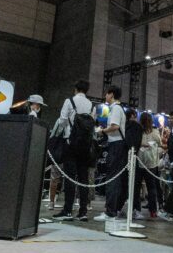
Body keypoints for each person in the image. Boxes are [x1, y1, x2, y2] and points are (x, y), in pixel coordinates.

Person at [53, 80, 93, 221]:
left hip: (70, 142)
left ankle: (68, 210)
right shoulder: (90, 104)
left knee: (70, 178)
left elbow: (62, 120)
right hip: (85, 145)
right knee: (83, 178)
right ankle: (83, 212)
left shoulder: (69, 101)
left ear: (75, 89)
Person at [96, 87, 126, 221]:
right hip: (118, 146)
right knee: (115, 178)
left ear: (111, 94)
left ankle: (110, 212)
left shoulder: (115, 109)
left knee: (112, 178)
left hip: (116, 145)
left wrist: (102, 131)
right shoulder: (118, 109)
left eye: (106, 93)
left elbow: (115, 126)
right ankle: (113, 210)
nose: (105, 96)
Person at [134, 112, 162, 219]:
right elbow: (159, 143)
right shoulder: (155, 132)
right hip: (152, 163)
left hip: (140, 161)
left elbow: (136, 143)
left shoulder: (138, 131)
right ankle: (153, 211)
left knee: (137, 187)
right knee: (152, 187)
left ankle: (136, 209)